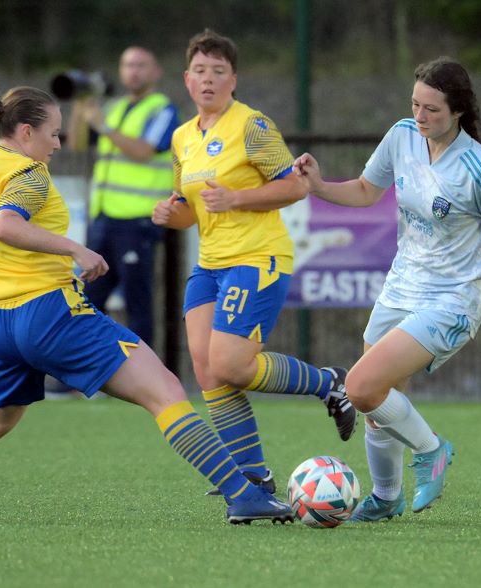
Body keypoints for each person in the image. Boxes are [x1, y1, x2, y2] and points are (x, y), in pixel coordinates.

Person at [0, 86, 294, 525]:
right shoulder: (28, 173)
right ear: (25, 132)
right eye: (54, 134)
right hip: (51, 314)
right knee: (165, 390)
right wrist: (76, 250)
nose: (59, 144)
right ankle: (242, 495)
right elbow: (5, 225)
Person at [293, 57, 481, 521]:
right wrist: (317, 186)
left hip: (452, 299)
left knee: (360, 386)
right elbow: (365, 190)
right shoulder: (402, 136)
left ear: (457, 110)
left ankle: (431, 450)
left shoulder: (479, 169)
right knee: (378, 401)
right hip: (400, 287)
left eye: (431, 109)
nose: (420, 116)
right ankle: (387, 497)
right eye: (415, 104)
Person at [152, 30, 357, 498]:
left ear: (233, 79)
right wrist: (170, 213)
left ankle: (330, 383)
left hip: (256, 257)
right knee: (206, 370)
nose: (208, 80)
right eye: (200, 72)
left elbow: (294, 186)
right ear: (186, 79)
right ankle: (254, 476)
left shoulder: (251, 125)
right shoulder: (183, 137)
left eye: (218, 72)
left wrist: (239, 197)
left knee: (230, 363)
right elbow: (191, 209)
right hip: (209, 264)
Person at [68, 46, 179, 346]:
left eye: (141, 65)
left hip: (138, 219)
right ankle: (86, 373)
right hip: (104, 217)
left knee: (136, 301)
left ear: (156, 72)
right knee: (87, 299)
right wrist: (81, 106)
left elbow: (144, 150)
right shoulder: (115, 108)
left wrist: (102, 124)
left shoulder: (162, 109)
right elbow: (77, 144)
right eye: (127, 64)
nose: (133, 71)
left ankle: (144, 379)